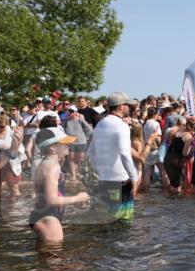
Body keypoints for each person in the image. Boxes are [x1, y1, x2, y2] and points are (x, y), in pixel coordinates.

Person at [29, 127, 90, 243]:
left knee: (48, 256)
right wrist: (76, 198)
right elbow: (51, 200)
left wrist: (74, 201)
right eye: (65, 143)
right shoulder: (51, 167)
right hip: (49, 218)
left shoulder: (49, 164)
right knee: (54, 257)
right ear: (53, 148)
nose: (69, 145)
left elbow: (50, 194)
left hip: (44, 215)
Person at [88, 91, 140, 222]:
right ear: (121, 106)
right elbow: (124, 153)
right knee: (124, 221)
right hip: (121, 180)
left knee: (110, 217)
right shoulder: (121, 125)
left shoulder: (100, 124)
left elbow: (90, 153)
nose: (129, 108)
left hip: (104, 180)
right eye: (128, 105)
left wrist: (100, 171)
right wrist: (133, 177)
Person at [162, 116, 194, 194]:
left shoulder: (177, 132)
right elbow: (184, 153)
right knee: (178, 188)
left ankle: (170, 202)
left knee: (173, 185)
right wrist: (190, 149)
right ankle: (176, 205)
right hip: (176, 162)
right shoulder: (188, 137)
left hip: (167, 159)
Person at [63, 105, 93, 181]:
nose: (70, 113)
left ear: (76, 112)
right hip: (70, 142)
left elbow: (90, 130)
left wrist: (85, 137)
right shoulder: (66, 121)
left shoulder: (80, 120)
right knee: (71, 158)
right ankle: (73, 175)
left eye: (72, 111)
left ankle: (78, 173)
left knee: (80, 159)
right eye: (69, 111)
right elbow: (62, 130)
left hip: (81, 142)